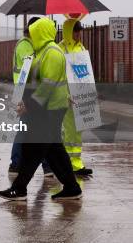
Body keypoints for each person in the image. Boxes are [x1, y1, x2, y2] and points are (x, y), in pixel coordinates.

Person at [0, 17, 82, 201]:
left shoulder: (51, 52)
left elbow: (47, 86)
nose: (31, 36)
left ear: (40, 33)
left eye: (34, 33)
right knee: (53, 150)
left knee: (35, 148)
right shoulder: (41, 51)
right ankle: (72, 187)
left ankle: (19, 188)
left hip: (49, 108)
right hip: (45, 108)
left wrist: (29, 105)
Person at [8, 17, 53, 177]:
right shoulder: (26, 46)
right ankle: (41, 165)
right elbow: (32, 69)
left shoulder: (26, 45)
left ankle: (18, 164)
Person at [58, 18, 93, 176]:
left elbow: (85, 72)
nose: (79, 34)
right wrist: (65, 95)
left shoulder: (81, 48)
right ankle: (68, 165)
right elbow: (57, 75)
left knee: (78, 131)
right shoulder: (61, 49)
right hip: (67, 97)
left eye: (80, 31)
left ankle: (76, 164)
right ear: (68, 32)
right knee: (69, 131)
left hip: (81, 95)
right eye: (76, 31)